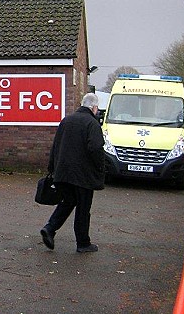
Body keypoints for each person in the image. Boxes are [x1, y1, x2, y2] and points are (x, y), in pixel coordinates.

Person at [40, 93, 105, 253]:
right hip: (83, 175)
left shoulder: (66, 121)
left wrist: (52, 168)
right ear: (94, 107)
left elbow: (55, 146)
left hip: (63, 173)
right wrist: (100, 168)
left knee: (68, 202)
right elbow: (96, 148)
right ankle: (83, 243)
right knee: (83, 208)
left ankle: (49, 229)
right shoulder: (92, 124)